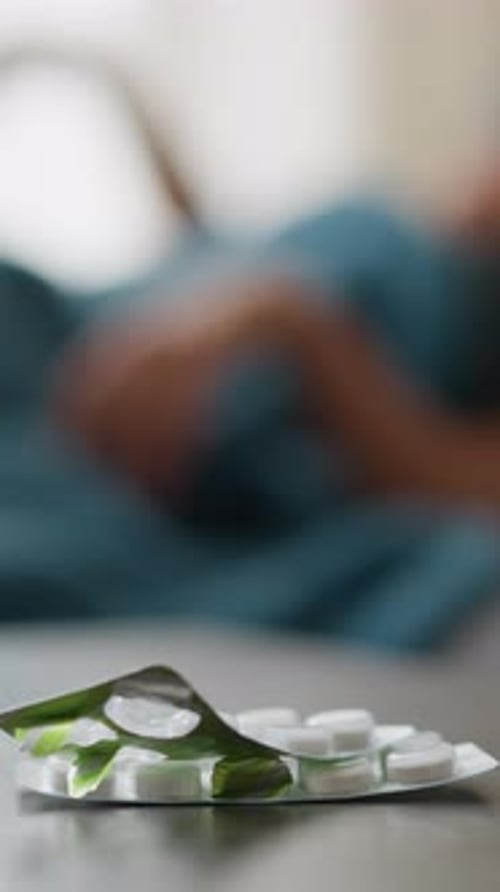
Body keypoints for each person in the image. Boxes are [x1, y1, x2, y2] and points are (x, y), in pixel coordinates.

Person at [55, 170, 500, 515]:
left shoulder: (459, 311)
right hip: (112, 327)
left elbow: (445, 483)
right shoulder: (400, 236)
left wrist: (290, 322)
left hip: (189, 433)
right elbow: (206, 256)